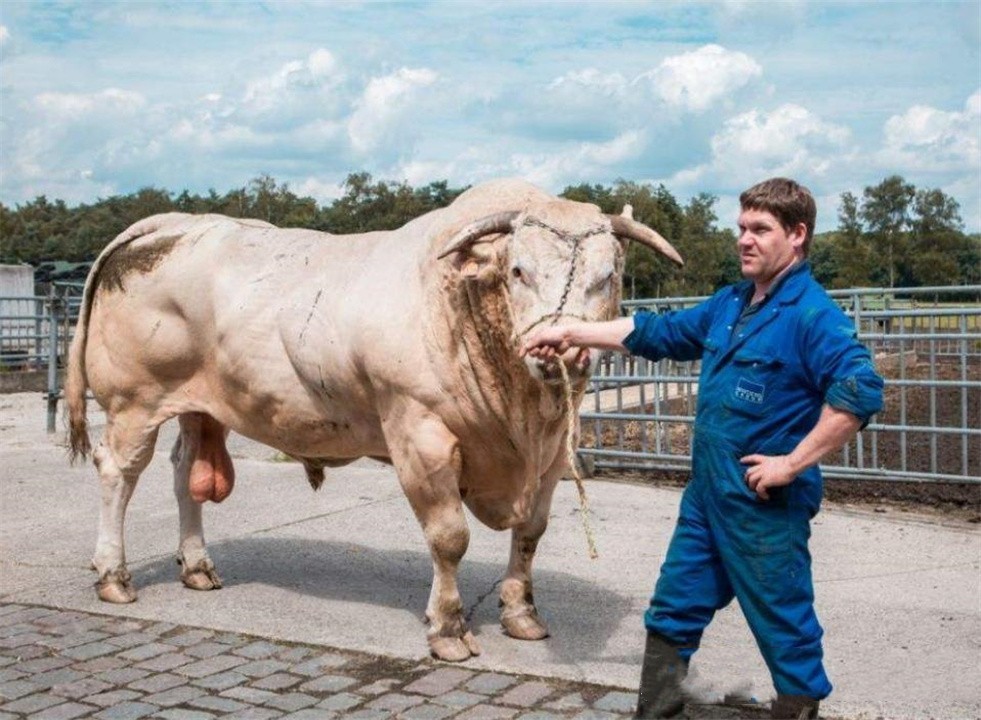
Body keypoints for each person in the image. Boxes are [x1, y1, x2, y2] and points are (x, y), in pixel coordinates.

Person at [521, 178, 884, 719]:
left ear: (798, 235)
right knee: (672, 607)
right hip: (706, 497)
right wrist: (575, 331)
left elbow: (858, 392)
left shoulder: (813, 316)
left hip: (763, 506)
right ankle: (658, 710)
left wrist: (791, 464)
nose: (745, 239)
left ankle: (800, 710)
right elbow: (656, 332)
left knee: (783, 620)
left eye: (761, 229)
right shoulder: (731, 303)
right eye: (741, 228)